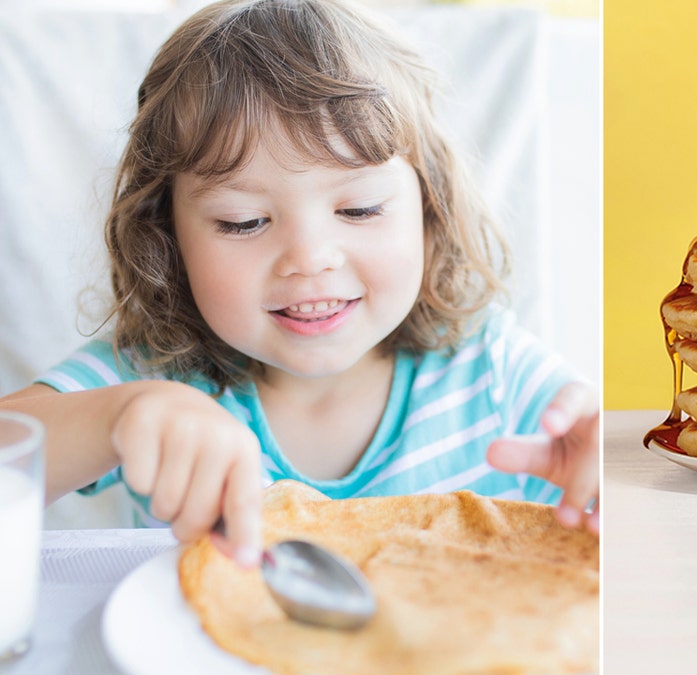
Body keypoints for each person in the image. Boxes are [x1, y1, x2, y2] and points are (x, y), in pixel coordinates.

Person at [0, 0, 599, 567]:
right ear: (166, 238)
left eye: (360, 209)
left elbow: (606, 472)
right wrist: (118, 416)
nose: (309, 259)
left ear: (429, 209)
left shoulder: (491, 367)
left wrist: (600, 468)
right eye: (245, 222)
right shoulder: (153, 377)